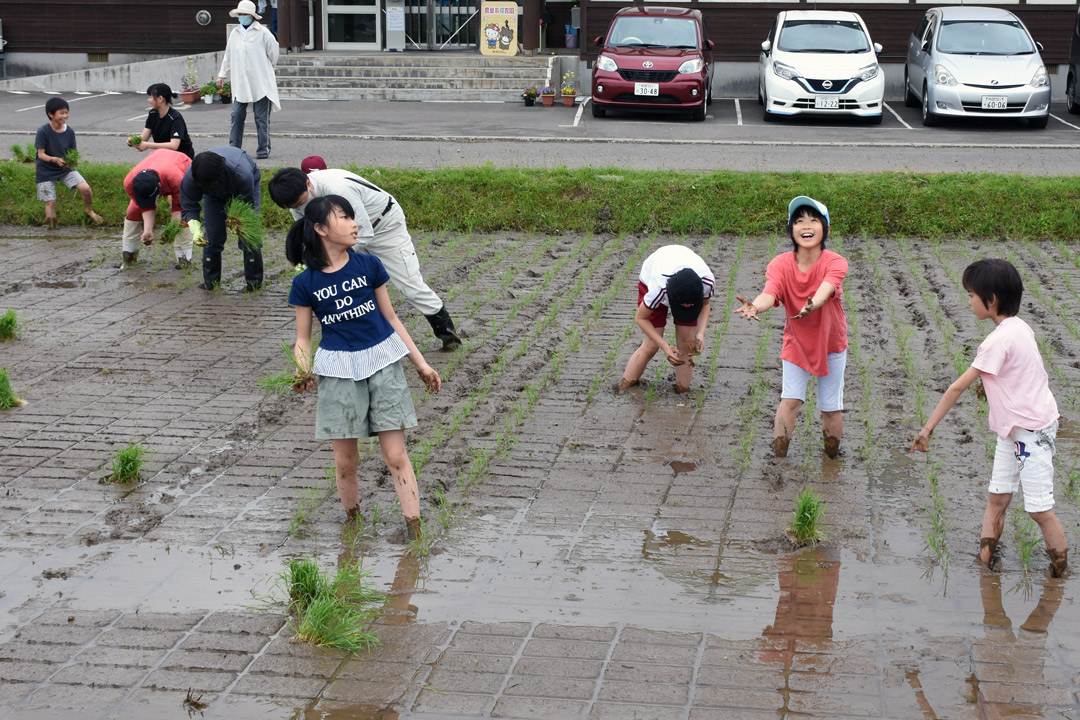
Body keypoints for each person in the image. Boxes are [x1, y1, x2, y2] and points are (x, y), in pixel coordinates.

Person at [286, 194, 442, 539]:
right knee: (345, 462)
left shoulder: (368, 266)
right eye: (343, 217)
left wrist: (421, 363)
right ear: (321, 229)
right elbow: (303, 339)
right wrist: (302, 370)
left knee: (395, 454)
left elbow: (391, 317)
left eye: (352, 216)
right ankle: (352, 525)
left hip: (383, 363)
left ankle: (415, 529)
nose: (354, 223)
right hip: (338, 369)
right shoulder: (305, 284)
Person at [910, 258, 1067, 577]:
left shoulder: (998, 341)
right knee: (997, 497)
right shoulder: (1019, 327)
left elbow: (956, 388)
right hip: (1013, 427)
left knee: (1039, 509)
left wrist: (927, 429)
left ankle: (1060, 570)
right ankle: (985, 563)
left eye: (971, 295)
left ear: (991, 300)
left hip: (1032, 429)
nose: (968, 301)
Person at [268, 164, 462, 351]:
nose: (300, 208)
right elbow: (311, 234)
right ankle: (371, 341)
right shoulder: (296, 202)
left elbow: (364, 233)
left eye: (301, 202)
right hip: (346, 237)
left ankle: (447, 335)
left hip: (383, 226)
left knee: (409, 286)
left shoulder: (338, 190)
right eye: (293, 207)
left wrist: (339, 258)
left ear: (309, 185)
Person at [734, 196, 847, 459]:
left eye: (813, 220)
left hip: (830, 344)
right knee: (790, 401)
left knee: (830, 408)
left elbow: (826, 288)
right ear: (791, 230)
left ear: (826, 228)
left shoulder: (835, 262)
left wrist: (814, 304)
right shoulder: (780, 264)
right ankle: (779, 458)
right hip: (796, 343)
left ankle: (831, 458)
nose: (806, 225)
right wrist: (755, 307)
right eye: (798, 221)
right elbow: (770, 293)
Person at [618, 244, 714, 394]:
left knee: (687, 344)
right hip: (655, 273)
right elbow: (641, 318)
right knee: (650, 345)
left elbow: (706, 305)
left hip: (684, 280)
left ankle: (682, 391)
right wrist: (664, 345)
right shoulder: (658, 288)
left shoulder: (706, 283)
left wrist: (700, 333)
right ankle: (624, 389)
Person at [179, 146, 264, 291]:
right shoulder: (191, 178)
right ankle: (210, 283)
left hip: (244, 187)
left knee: (248, 235)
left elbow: (246, 208)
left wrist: (236, 221)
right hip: (212, 196)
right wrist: (195, 227)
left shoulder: (241, 174)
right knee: (212, 235)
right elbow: (189, 206)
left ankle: (253, 284)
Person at [218, 0, 280, 160]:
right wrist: (222, 75)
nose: (242, 17)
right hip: (241, 83)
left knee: (261, 118)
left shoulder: (263, 33)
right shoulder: (235, 33)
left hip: (260, 82)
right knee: (237, 115)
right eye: (240, 15)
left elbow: (274, 51)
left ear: (252, 16)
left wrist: (271, 67)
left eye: (244, 14)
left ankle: (263, 149)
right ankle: (234, 148)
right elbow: (228, 55)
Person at [35, 97, 104, 229]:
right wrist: (54, 159)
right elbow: (41, 154)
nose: (65, 116)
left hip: (64, 168)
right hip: (46, 171)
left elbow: (73, 153)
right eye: (61, 113)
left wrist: (72, 161)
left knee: (85, 188)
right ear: (51, 114)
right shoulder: (43, 131)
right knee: (51, 204)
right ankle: (52, 230)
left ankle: (89, 211)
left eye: (66, 112)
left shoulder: (69, 131)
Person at [121, 149, 193, 269]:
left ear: (160, 186)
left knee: (183, 219)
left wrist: (169, 233)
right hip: (158, 159)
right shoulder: (129, 182)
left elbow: (178, 210)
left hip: (182, 164)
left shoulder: (177, 179)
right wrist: (147, 230)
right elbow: (146, 207)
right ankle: (129, 258)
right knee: (133, 212)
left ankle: (184, 262)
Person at [133, 84, 195, 160]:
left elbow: (174, 145)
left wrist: (148, 145)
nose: (148, 100)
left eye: (150, 97)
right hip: (164, 156)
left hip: (182, 158)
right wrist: (133, 140)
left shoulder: (175, 118)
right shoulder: (153, 114)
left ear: (160, 99)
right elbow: (144, 137)